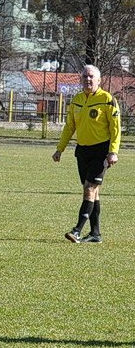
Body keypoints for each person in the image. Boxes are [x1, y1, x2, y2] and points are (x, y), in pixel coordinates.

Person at [54, 65, 121, 243]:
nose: (88, 79)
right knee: (93, 192)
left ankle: (76, 230)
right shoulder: (76, 100)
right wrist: (60, 149)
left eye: (91, 76)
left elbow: (116, 129)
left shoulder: (107, 100)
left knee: (89, 189)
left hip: (101, 151)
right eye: (84, 76)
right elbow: (70, 127)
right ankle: (95, 234)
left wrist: (113, 151)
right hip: (82, 151)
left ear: (99, 80)